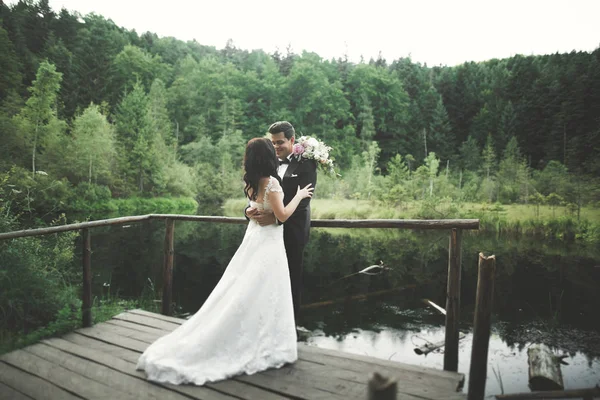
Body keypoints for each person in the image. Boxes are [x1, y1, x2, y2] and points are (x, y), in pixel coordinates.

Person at [136, 138, 313, 385]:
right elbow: (281, 215)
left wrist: (252, 211)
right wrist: (299, 196)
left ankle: (260, 336)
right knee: (266, 290)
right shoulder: (272, 183)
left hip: (255, 240)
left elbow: (256, 208)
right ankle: (266, 341)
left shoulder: (251, 182)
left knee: (248, 289)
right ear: (268, 158)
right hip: (268, 245)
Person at [246, 121, 317, 322]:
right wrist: (249, 211)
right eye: (273, 143)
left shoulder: (307, 163)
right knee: (263, 279)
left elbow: (304, 202)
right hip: (266, 235)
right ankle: (264, 320)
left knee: (290, 280)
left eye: (280, 142)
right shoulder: (267, 161)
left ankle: (289, 326)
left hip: (292, 232)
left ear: (292, 140)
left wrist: (276, 218)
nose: (276, 147)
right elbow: (258, 193)